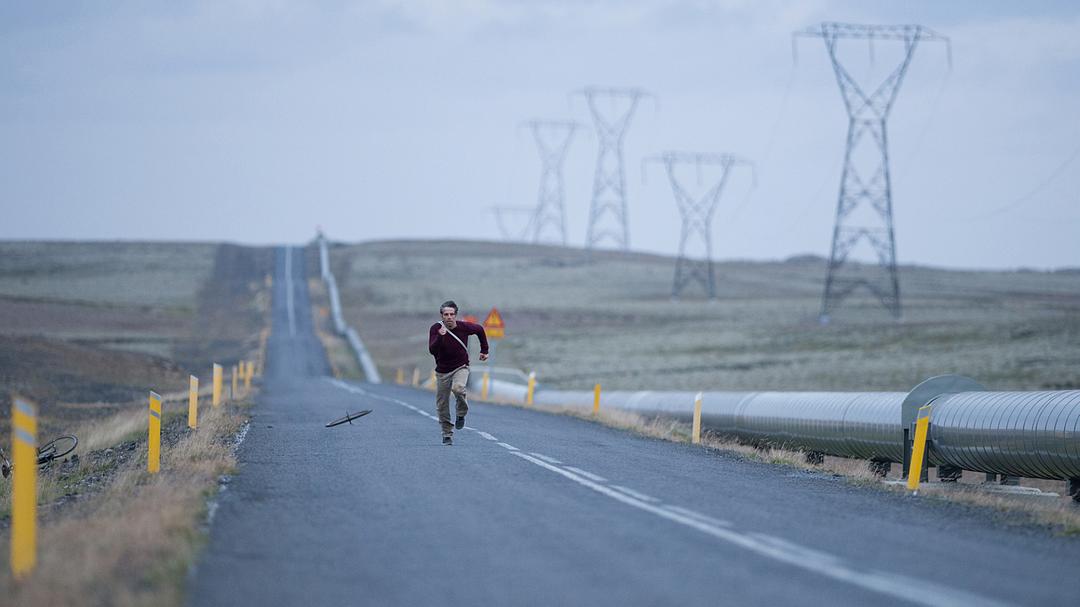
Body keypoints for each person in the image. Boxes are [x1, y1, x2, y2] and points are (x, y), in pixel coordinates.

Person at [428, 300, 489, 445]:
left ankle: (461, 414)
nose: (449, 317)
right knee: (442, 404)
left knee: (458, 388)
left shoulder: (464, 327)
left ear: (456, 315)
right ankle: (447, 433)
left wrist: (484, 350)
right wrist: (440, 336)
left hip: (460, 367)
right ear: (442, 316)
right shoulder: (435, 329)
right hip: (442, 371)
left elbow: (480, 329)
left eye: (451, 314)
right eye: (446, 314)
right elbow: (432, 350)